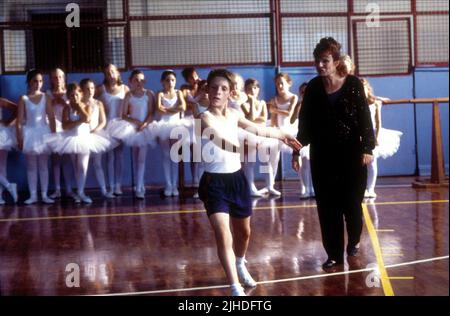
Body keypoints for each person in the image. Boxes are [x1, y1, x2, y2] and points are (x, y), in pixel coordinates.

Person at [198, 69, 300, 296]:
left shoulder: (234, 114)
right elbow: (217, 138)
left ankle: (240, 262)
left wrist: (281, 134)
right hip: (214, 183)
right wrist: (239, 148)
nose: (217, 92)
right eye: (213, 87)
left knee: (243, 233)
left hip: (237, 180)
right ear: (207, 90)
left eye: (223, 88)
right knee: (223, 233)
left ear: (230, 93)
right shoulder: (204, 117)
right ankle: (235, 287)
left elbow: (257, 128)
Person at [292, 37, 375, 270]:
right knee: (328, 208)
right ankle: (334, 254)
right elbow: (304, 123)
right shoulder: (313, 88)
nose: (320, 65)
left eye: (325, 60)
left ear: (336, 61)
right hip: (322, 156)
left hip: (351, 155)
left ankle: (355, 240)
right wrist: (296, 151)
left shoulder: (354, 85)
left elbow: (364, 120)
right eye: (317, 61)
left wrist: (368, 147)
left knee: (351, 206)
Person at [108, 70, 156, 199]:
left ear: (144, 81)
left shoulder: (149, 94)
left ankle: (140, 187)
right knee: (136, 158)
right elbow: (123, 115)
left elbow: (151, 112)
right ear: (131, 81)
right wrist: (135, 122)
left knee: (141, 159)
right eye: (136, 80)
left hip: (145, 128)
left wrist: (144, 124)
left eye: (141, 80)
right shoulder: (129, 95)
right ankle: (138, 184)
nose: (139, 83)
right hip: (132, 129)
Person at [16, 69, 55, 204]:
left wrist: (53, 136)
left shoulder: (46, 97)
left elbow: (51, 116)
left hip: (44, 132)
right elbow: (20, 121)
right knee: (31, 166)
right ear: (29, 82)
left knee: (44, 165)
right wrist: (20, 137)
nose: (38, 84)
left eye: (40, 81)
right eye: (35, 81)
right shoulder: (24, 98)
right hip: (30, 134)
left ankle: (44, 195)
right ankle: (33, 195)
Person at [361, 78, 402, 198]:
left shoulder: (374, 103)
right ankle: (363, 188)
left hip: (372, 134)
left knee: (372, 162)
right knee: (361, 163)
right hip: (359, 135)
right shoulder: (355, 102)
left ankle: (371, 188)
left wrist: (376, 137)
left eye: (363, 89)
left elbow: (378, 122)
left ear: (368, 89)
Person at [96, 64, 129, 196]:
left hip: (120, 125)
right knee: (109, 156)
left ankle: (118, 186)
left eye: (112, 72)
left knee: (119, 156)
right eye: (107, 73)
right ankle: (110, 186)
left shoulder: (125, 88)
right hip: (107, 125)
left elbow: (130, 106)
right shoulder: (101, 89)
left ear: (118, 73)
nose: (110, 75)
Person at [80, 78, 117, 199]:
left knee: (97, 163)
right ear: (82, 90)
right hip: (82, 136)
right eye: (87, 88)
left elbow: (103, 121)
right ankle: (80, 192)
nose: (90, 91)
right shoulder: (79, 103)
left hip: (96, 136)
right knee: (82, 166)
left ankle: (104, 190)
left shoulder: (98, 103)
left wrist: (94, 130)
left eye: (92, 88)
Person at [265, 73, 298, 196]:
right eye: (277, 83)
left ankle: (307, 185)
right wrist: (273, 131)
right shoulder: (274, 99)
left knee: (301, 155)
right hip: (277, 130)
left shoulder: (293, 97)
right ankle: (270, 185)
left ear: (289, 84)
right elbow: (273, 119)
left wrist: (274, 109)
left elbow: (289, 114)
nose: (279, 85)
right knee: (272, 159)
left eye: (282, 83)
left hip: (290, 130)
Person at [46, 68, 77, 201]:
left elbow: (75, 107)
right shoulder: (48, 93)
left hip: (67, 128)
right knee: (55, 160)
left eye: (60, 77)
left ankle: (69, 189)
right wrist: (53, 102)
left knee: (67, 160)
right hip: (53, 128)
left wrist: (63, 102)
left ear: (64, 78)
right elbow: (45, 110)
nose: (57, 79)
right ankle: (57, 189)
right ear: (51, 80)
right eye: (55, 77)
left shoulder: (69, 92)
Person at [155, 70, 186, 197]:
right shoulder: (160, 94)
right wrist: (174, 109)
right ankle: (168, 184)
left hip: (176, 126)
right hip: (163, 126)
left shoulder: (179, 93)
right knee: (165, 155)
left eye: (172, 80)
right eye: (167, 80)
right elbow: (158, 109)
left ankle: (175, 185)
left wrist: (167, 109)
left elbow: (182, 107)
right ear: (162, 82)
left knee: (175, 156)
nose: (170, 82)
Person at [240, 78, 272, 197]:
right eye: (249, 88)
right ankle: (250, 188)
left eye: (255, 88)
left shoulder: (263, 102)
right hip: (249, 135)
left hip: (262, 134)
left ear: (258, 89)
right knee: (249, 163)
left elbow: (264, 118)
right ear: (245, 91)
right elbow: (251, 117)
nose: (252, 90)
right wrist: (252, 101)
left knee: (266, 161)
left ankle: (270, 186)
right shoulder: (243, 104)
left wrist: (253, 119)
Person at [291, 82, 314, 199]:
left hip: (313, 137)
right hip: (302, 136)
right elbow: (291, 120)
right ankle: (305, 189)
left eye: (307, 91)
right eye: (302, 92)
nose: (304, 94)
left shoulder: (316, 103)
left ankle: (313, 189)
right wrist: (297, 108)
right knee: (304, 163)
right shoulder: (299, 104)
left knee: (312, 164)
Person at [0, 97, 18, 204]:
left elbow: (17, 109)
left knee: (2, 166)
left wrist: (8, 122)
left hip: (1, 133)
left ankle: (0, 196)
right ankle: (9, 186)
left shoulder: (1, 100)